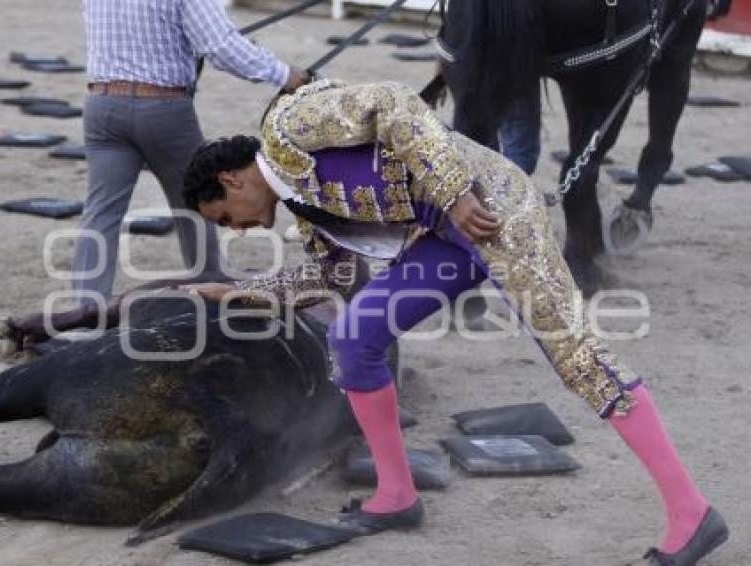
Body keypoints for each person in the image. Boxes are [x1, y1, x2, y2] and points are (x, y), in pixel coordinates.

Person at [179, 80, 727, 565]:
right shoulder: (303, 206)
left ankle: (691, 513)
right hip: (444, 237)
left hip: (493, 213)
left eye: (227, 218)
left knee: (577, 360)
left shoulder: (289, 125)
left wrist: (455, 194)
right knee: (354, 337)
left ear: (231, 179)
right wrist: (244, 294)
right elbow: (334, 274)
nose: (239, 230)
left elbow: (393, 104)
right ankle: (396, 496)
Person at [72, 0, 310, 306]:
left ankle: (86, 307)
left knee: (101, 211)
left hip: (102, 103)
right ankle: (212, 280)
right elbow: (221, 46)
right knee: (198, 199)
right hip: (163, 107)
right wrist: (284, 74)